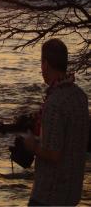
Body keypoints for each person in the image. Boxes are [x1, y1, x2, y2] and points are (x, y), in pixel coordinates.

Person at [24, 39, 89, 206]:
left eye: (41, 62)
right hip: (72, 192)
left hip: (49, 195)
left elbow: (54, 154)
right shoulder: (80, 96)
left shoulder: (54, 103)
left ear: (45, 64)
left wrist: (33, 146)